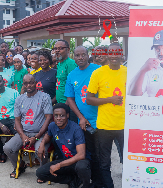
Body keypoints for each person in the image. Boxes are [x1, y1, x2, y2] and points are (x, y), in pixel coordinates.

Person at [86, 43, 127, 188]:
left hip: (125, 125)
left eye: (117, 52)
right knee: (104, 162)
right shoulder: (98, 73)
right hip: (104, 126)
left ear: (122, 54)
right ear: (107, 54)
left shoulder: (128, 72)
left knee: (127, 160)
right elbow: (89, 99)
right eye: (111, 52)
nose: (114, 55)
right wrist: (110, 100)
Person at [4, 74, 53, 180]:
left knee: (39, 151)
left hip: (41, 133)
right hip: (24, 132)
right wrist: (22, 136)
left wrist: (37, 137)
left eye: (31, 82)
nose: (29, 85)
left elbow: (49, 118)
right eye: (26, 83)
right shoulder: (19, 99)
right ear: (23, 85)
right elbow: (17, 120)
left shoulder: (45, 97)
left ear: (35, 83)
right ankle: (20, 166)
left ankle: (43, 171)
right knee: (8, 148)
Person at [65, 46, 101, 186]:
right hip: (82, 122)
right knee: (85, 152)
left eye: (83, 55)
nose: (80, 58)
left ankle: (99, 181)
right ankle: (84, 179)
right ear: (74, 57)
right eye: (77, 55)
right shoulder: (71, 75)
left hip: (100, 120)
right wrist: (80, 117)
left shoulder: (97, 70)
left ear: (88, 55)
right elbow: (70, 99)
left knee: (100, 155)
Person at [36, 103, 91, 188]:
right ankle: (72, 180)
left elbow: (81, 155)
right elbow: (48, 135)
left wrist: (59, 165)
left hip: (79, 161)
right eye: (56, 115)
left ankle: (86, 184)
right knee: (40, 173)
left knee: (81, 167)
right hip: (66, 160)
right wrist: (42, 144)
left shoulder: (76, 129)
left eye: (62, 115)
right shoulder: (52, 125)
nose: (58, 118)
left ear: (67, 115)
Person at [129, 30, 163, 97]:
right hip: (154, 107)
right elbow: (133, 95)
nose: (161, 53)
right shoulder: (150, 70)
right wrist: (142, 70)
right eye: (157, 49)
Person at [53, 40, 78, 104]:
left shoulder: (70, 64)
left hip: (67, 105)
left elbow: (74, 87)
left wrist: (65, 106)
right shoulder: (59, 64)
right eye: (55, 48)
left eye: (60, 48)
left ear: (68, 50)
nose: (57, 50)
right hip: (59, 103)